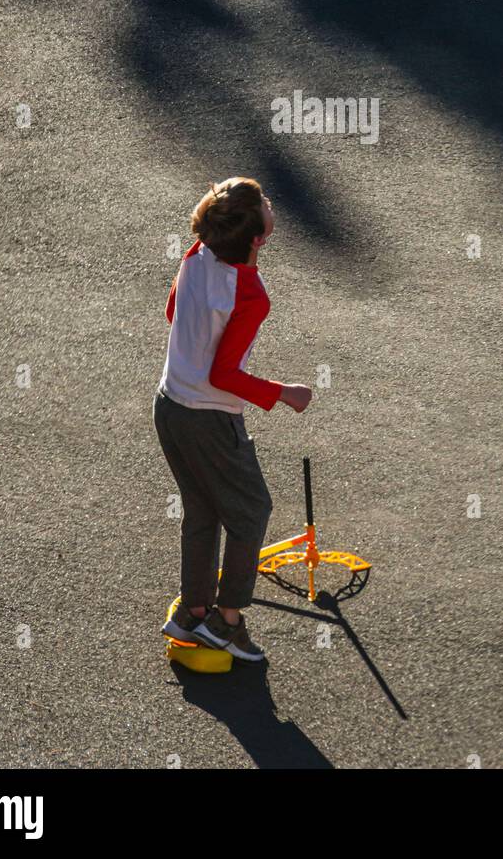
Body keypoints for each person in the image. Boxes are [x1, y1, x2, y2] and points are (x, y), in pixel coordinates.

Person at [154, 176, 312, 661]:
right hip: (210, 418)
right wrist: (282, 393)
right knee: (250, 513)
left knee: (202, 511)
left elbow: (171, 311)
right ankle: (227, 622)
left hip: (169, 405)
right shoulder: (249, 294)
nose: (270, 201)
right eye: (265, 201)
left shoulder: (195, 253)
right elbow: (223, 374)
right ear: (259, 238)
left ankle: (193, 613)